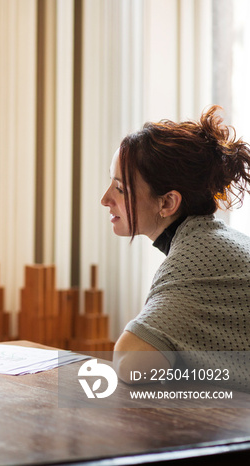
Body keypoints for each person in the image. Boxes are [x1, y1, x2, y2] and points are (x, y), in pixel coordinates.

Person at [101, 106, 250, 391]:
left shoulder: (199, 256)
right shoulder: (215, 242)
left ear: (167, 203)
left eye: (120, 188)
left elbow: (131, 363)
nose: (105, 199)